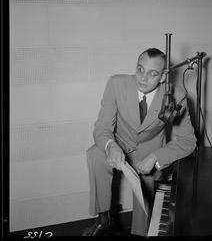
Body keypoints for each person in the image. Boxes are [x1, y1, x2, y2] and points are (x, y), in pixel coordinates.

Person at [82, 48, 197, 236]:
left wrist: (155, 157)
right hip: (120, 142)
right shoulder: (116, 84)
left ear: (163, 76)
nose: (143, 78)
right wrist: (111, 145)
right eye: (140, 70)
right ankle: (104, 218)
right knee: (95, 153)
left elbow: (188, 141)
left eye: (152, 73)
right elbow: (102, 128)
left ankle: (140, 233)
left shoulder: (176, 95)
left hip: (151, 150)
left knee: (144, 214)